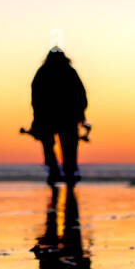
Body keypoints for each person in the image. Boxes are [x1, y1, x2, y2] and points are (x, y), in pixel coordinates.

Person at [29, 48, 88, 184]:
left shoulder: (43, 73)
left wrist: (37, 117)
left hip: (52, 118)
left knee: (53, 146)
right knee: (67, 147)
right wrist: (81, 113)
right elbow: (81, 95)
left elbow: (35, 98)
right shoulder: (69, 73)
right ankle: (65, 171)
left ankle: (57, 171)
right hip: (65, 118)